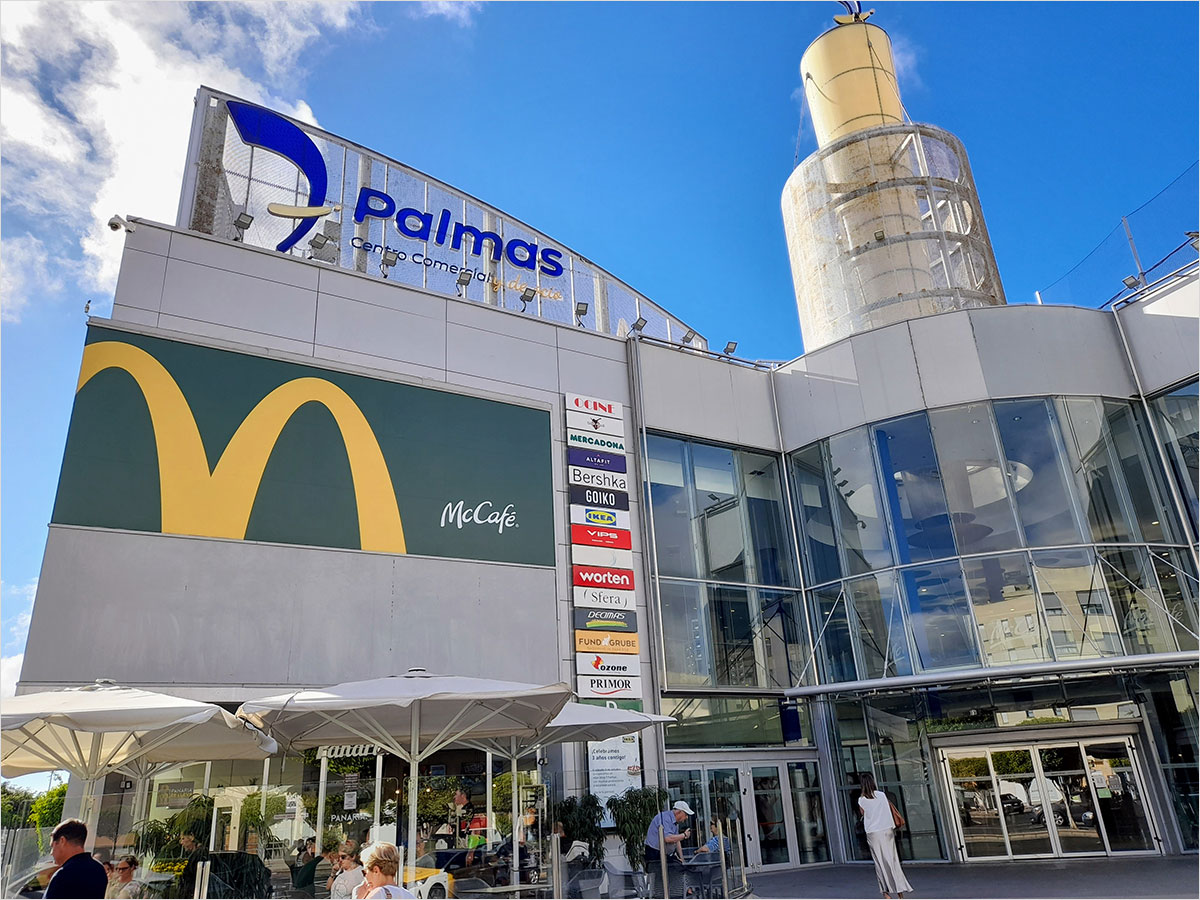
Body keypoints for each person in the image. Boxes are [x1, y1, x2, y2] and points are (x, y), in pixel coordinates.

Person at [856, 773, 912, 900]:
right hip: (887, 831)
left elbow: (863, 814)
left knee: (880, 863)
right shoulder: (881, 795)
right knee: (893, 860)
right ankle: (900, 893)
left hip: (873, 833)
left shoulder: (862, 799)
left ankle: (886, 894)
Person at [44, 818, 108, 898]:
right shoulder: (99, 869)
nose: (51, 853)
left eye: (52, 846)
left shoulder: (63, 875)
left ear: (62, 841)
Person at [644, 800, 694, 868]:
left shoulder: (675, 822)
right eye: (686, 814)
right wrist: (684, 835)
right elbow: (667, 838)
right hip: (655, 853)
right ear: (679, 812)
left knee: (679, 866)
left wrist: (682, 859)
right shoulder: (664, 818)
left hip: (665, 853)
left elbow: (676, 840)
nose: (687, 817)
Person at [177, 831, 209, 899]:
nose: (181, 843)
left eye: (183, 839)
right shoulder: (190, 854)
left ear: (191, 837)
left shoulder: (201, 854)